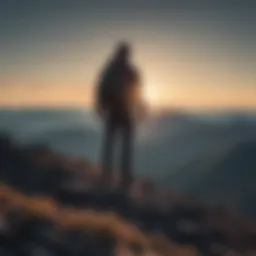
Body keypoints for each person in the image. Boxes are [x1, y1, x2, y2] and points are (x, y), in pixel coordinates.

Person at [96, 42, 143, 192]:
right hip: (120, 112)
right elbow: (102, 89)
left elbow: (136, 92)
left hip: (120, 112)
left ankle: (113, 176)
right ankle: (116, 177)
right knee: (120, 146)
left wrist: (101, 107)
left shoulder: (113, 69)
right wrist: (138, 107)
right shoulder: (126, 70)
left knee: (116, 145)